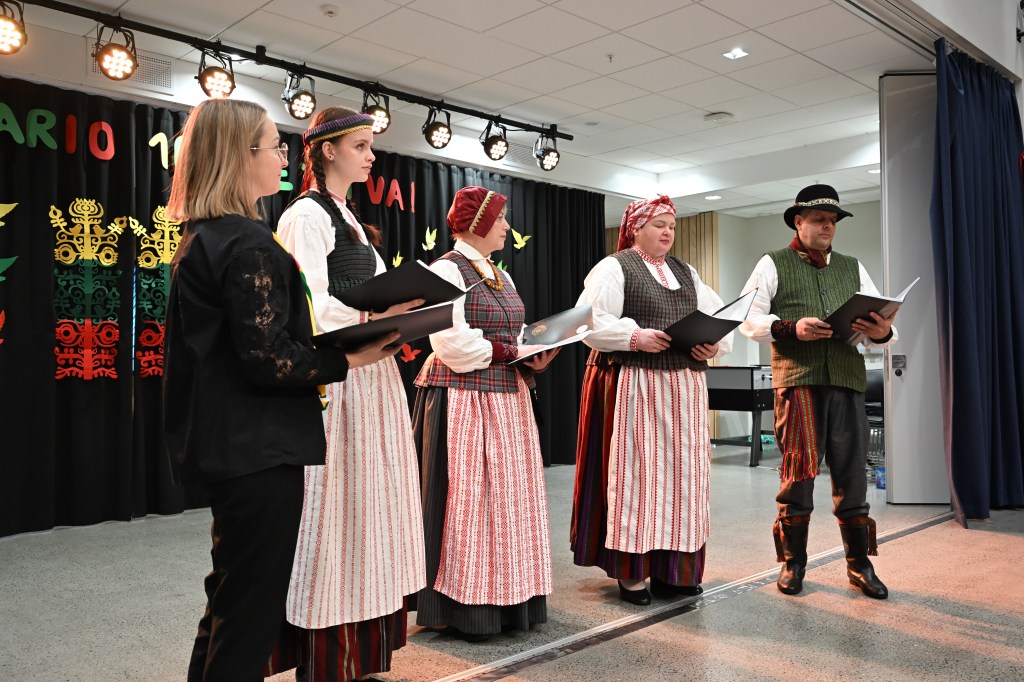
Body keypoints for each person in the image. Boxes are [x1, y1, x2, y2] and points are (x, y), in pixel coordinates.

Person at [162, 99, 399, 682]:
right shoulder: (248, 242)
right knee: (249, 615)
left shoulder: (206, 237)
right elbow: (269, 358)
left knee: (230, 600)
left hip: (232, 443)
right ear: (240, 156)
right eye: (273, 146)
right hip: (258, 448)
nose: (283, 158)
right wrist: (349, 357)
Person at [269, 107, 426, 681]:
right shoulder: (306, 216)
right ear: (328, 151)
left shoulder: (351, 221)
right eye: (361, 146)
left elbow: (365, 298)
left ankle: (361, 655)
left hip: (372, 378)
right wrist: (376, 315)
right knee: (337, 511)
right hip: (341, 379)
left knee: (370, 510)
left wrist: (402, 317)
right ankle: (328, 659)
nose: (371, 156)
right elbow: (307, 305)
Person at [412, 186, 557, 642]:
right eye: (501, 219)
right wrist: (511, 351)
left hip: (506, 399)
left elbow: (513, 333)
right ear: (477, 223)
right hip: (464, 399)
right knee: (468, 502)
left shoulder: (499, 274)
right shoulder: (447, 270)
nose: (507, 227)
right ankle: (463, 607)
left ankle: (511, 599)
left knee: (509, 504)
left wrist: (533, 353)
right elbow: (451, 343)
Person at [570, 195, 731, 606]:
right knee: (639, 478)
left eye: (672, 226)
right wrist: (634, 336)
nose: (667, 232)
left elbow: (720, 317)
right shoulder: (615, 267)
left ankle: (674, 571)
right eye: (659, 224)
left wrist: (713, 344)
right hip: (638, 385)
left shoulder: (686, 272)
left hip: (684, 390)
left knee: (683, 480)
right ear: (636, 228)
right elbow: (587, 322)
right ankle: (633, 572)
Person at [738, 184, 897, 600]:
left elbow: (877, 327)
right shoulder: (772, 263)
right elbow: (748, 318)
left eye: (833, 221)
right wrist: (792, 328)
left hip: (846, 381)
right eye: (819, 220)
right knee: (798, 476)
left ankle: (859, 565)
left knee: (853, 475)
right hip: (799, 383)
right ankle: (793, 563)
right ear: (798, 221)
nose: (828, 226)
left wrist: (883, 331)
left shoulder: (852, 267)